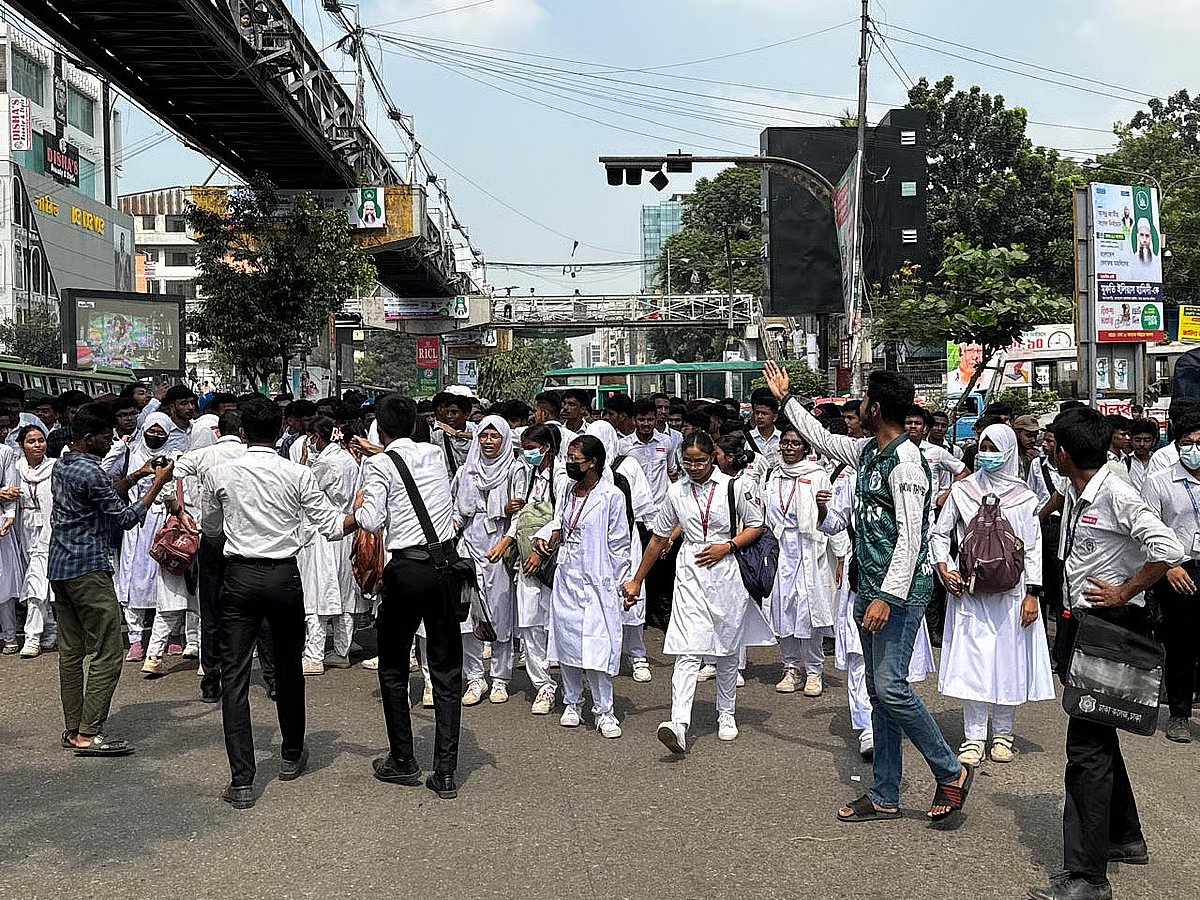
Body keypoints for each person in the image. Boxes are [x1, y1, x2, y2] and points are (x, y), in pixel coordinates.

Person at [761, 361, 973, 823]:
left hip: (896, 595)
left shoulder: (908, 464)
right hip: (866, 587)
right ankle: (884, 794)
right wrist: (785, 400)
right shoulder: (868, 452)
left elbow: (912, 536)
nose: (855, 408)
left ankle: (950, 770)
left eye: (862, 401)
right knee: (878, 691)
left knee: (892, 688)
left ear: (875, 408)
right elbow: (823, 439)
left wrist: (887, 597)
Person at [1027, 408, 1186, 900]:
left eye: (1052, 443)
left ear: (1066, 452)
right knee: (1100, 737)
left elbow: (1169, 547)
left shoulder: (1117, 493)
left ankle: (1087, 878)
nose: (1047, 449)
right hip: (1083, 624)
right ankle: (1125, 837)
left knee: (1086, 751)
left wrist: (1124, 591)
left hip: (1112, 626)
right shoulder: (1079, 492)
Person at [202, 398, 358, 810]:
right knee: (289, 666)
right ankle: (291, 753)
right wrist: (363, 511)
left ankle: (242, 779)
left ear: (242, 432)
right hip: (283, 575)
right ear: (282, 428)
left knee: (234, 675)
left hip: (238, 575)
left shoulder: (219, 473)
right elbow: (332, 526)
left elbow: (211, 529)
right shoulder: (298, 473)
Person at [624, 431, 775, 753]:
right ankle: (678, 722)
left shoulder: (736, 486)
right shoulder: (676, 492)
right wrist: (637, 579)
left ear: (714, 457)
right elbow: (658, 538)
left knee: (726, 647)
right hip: (691, 573)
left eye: (700, 461)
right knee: (687, 648)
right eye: (687, 462)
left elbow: (757, 525)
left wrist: (728, 546)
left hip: (728, 571)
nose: (693, 467)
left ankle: (726, 713)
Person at [49, 403, 175, 756]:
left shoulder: (64, 463)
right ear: (90, 439)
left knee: (71, 653)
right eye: (106, 436)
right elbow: (125, 517)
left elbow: (101, 493)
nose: (112, 440)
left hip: (60, 568)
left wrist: (137, 476)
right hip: (88, 570)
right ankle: (90, 733)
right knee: (108, 651)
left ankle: (73, 729)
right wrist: (156, 486)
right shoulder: (91, 471)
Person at [355, 394, 463, 800]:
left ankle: (402, 759)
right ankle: (446, 772)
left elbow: (371, 520)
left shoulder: (380, 463)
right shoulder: (434, 455)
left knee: (395, 668)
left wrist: (364, 491)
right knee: (447, 671)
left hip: (406, 569)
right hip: (444, 566)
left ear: (380, 430)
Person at [931, 424, 1055, 767]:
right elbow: (940, 534)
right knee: (973, 661)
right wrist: (944, 568)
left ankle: (1003, 734)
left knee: (1007, 661)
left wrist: (1032, 593)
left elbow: (1033, 548)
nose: (987, 453)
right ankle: (973, 736)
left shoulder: (1024, 497)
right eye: (982, 446)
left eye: (994, 447)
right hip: (970, 592)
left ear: (1009, 451)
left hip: (1011, 594)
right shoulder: (963, 491)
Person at [535, 434, 631, 738]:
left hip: (599, 581)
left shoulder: (611, 496)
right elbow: (560, 523)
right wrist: (548, 537)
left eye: (575, 461)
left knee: (598, 648)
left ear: (593, 463)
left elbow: (619, 544)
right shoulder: (566, 489)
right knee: (568, 644)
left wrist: (621, 584)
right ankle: (572, 703)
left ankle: (605, 711)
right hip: (567, 577)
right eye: (568, 459)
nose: (569, 465)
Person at [172, 410, 246, 702]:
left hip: (212, 537)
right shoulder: (252, 455)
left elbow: (171, 472)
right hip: (246, 537)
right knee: (258, 610)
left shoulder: (201, 456)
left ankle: (211, 680)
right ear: (241, 431)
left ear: (217, 432)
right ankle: (271, 676)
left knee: (212, 610)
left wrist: (178, 509)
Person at [761, 426, 840, 697]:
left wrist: (840, 556)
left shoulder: (817, 476)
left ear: (806, 448)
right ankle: (790, 668)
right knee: (783, 610)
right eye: (785, 442)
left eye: (796, 443)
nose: (789, 448)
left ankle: (814, 671)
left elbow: (833, 519)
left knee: (809, 613)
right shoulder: (774, 475)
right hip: (781, 551)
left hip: (811, 550)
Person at [115, 413, 197, 673]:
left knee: (170, 583)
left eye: (162, 431)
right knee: (136, 580)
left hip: (166, 523)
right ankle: (136, 638)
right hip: (138, 524)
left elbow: (174, 492)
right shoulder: (131, 453)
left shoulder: (177, 457)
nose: (156, 435)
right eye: (152, 430)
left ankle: (173, 636)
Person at [452, 415, 525, 706]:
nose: (488, 442)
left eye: (495, 436)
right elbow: (457, 509)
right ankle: (474, 678)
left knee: (499, 614)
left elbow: (521, 513)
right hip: (469, 545)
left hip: (499, 545)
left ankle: (499, 678)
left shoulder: (514, 469)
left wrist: (505, 539)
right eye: (484, 436)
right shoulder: (467, 471)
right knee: (468, 616)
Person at [1141, 413, 1200, 745]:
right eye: (1187, 444)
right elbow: (1149, 529)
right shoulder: (1160, 481)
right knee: (1182, 644)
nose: (1194, 449)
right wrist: (1169, 565)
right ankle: (1179, 713)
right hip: (1178, 569)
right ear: (1176, 445)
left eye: (1199, 443)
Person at [592, 419, 656, 682]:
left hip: (625, 542)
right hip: (594, 545)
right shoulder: (585, 470)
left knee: (630, 596)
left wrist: (656, 538)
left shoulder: (626, 465)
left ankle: (638, 655)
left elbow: (644, 506)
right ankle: (606, 655)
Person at [302, 416, 365, 673]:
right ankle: (342, 650)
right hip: (346, 530)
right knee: (344, 593)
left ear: (317, 438)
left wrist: (305, 461)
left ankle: (314, 655)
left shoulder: (326, 462)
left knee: (319, 594)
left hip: (325, 532)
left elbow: (306, 490)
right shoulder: (349, 459)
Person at [509, 424, 564, 714]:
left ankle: (570, 683)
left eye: (531, 448)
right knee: (529, 624)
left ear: (545, 447)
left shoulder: (563, 477)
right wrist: (506, 542)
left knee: (558, 623)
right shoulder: (527, 475)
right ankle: (543, 685)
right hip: (526, 560)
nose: (526, 453)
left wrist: (541, 554)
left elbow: (564, 518)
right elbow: (521, 517)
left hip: (553, 560)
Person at [622, 397, 680, 633]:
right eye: (641, 419)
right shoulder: (624, 446)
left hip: (661, 512)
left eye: (650, 419)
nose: (646, 424)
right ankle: (642, 617)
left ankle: (662, 617)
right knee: (641, 565)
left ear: (656, 420)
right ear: (634, 420)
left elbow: (671, 472)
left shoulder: (666, 443)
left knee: (664, 569)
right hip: (637, 516)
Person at [15, 424, 58, 657]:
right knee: (38, 582)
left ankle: (32, 636)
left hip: (50, 532)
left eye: (41, 440)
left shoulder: (54, 467)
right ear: (22, 445)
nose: (38, 445)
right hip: (24, 531)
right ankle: (50, 628)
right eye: (32, 441)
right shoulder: (16, 469)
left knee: (37, 583)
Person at [0, 417, 22, 652]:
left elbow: (11, 489)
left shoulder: (5, 452)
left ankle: (9, 635)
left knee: (2, 579)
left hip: (0, 520)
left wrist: (9, 516)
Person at [1126, 418, 1157, 491]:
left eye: (1147, 440)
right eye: (1137, 440)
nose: (1142, 444)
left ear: (1153, 441)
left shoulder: (1159, 461)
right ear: (1131, 440)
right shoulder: (1125, 462)